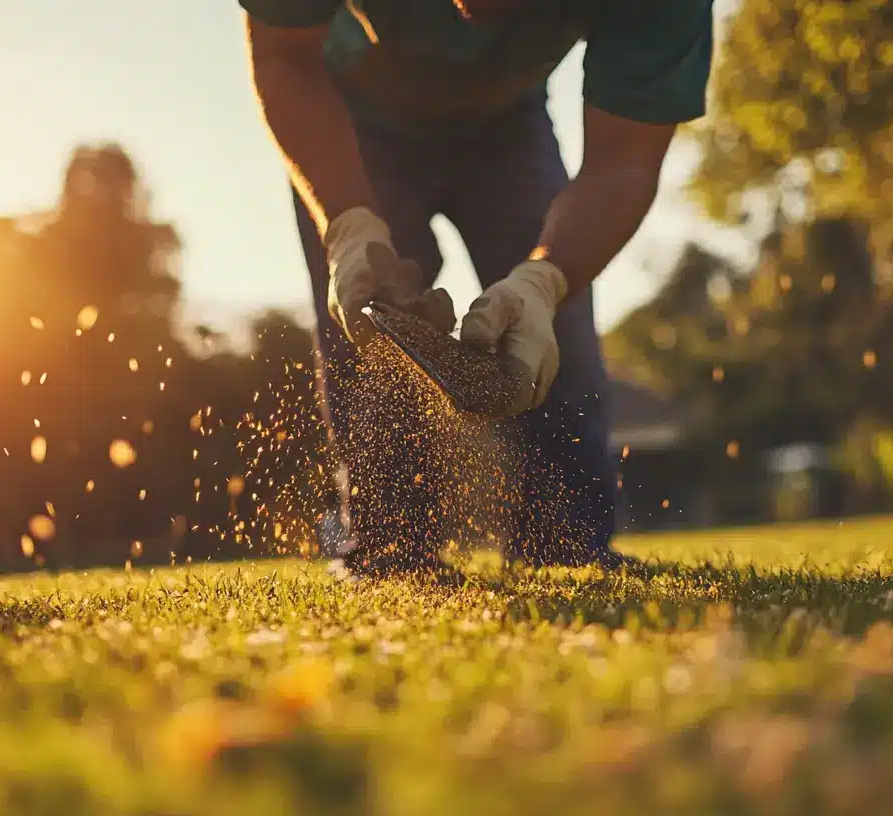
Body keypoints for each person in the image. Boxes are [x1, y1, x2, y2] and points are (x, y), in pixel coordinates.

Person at [241, 0, 715, 578]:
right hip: (352, 114)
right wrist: (346, 223)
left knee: (552, 333)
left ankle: (563, 545)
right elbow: (285, 59)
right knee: (368, 324)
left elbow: (623, 160)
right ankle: (393, 551)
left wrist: (546, 281)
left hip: (509, 124)